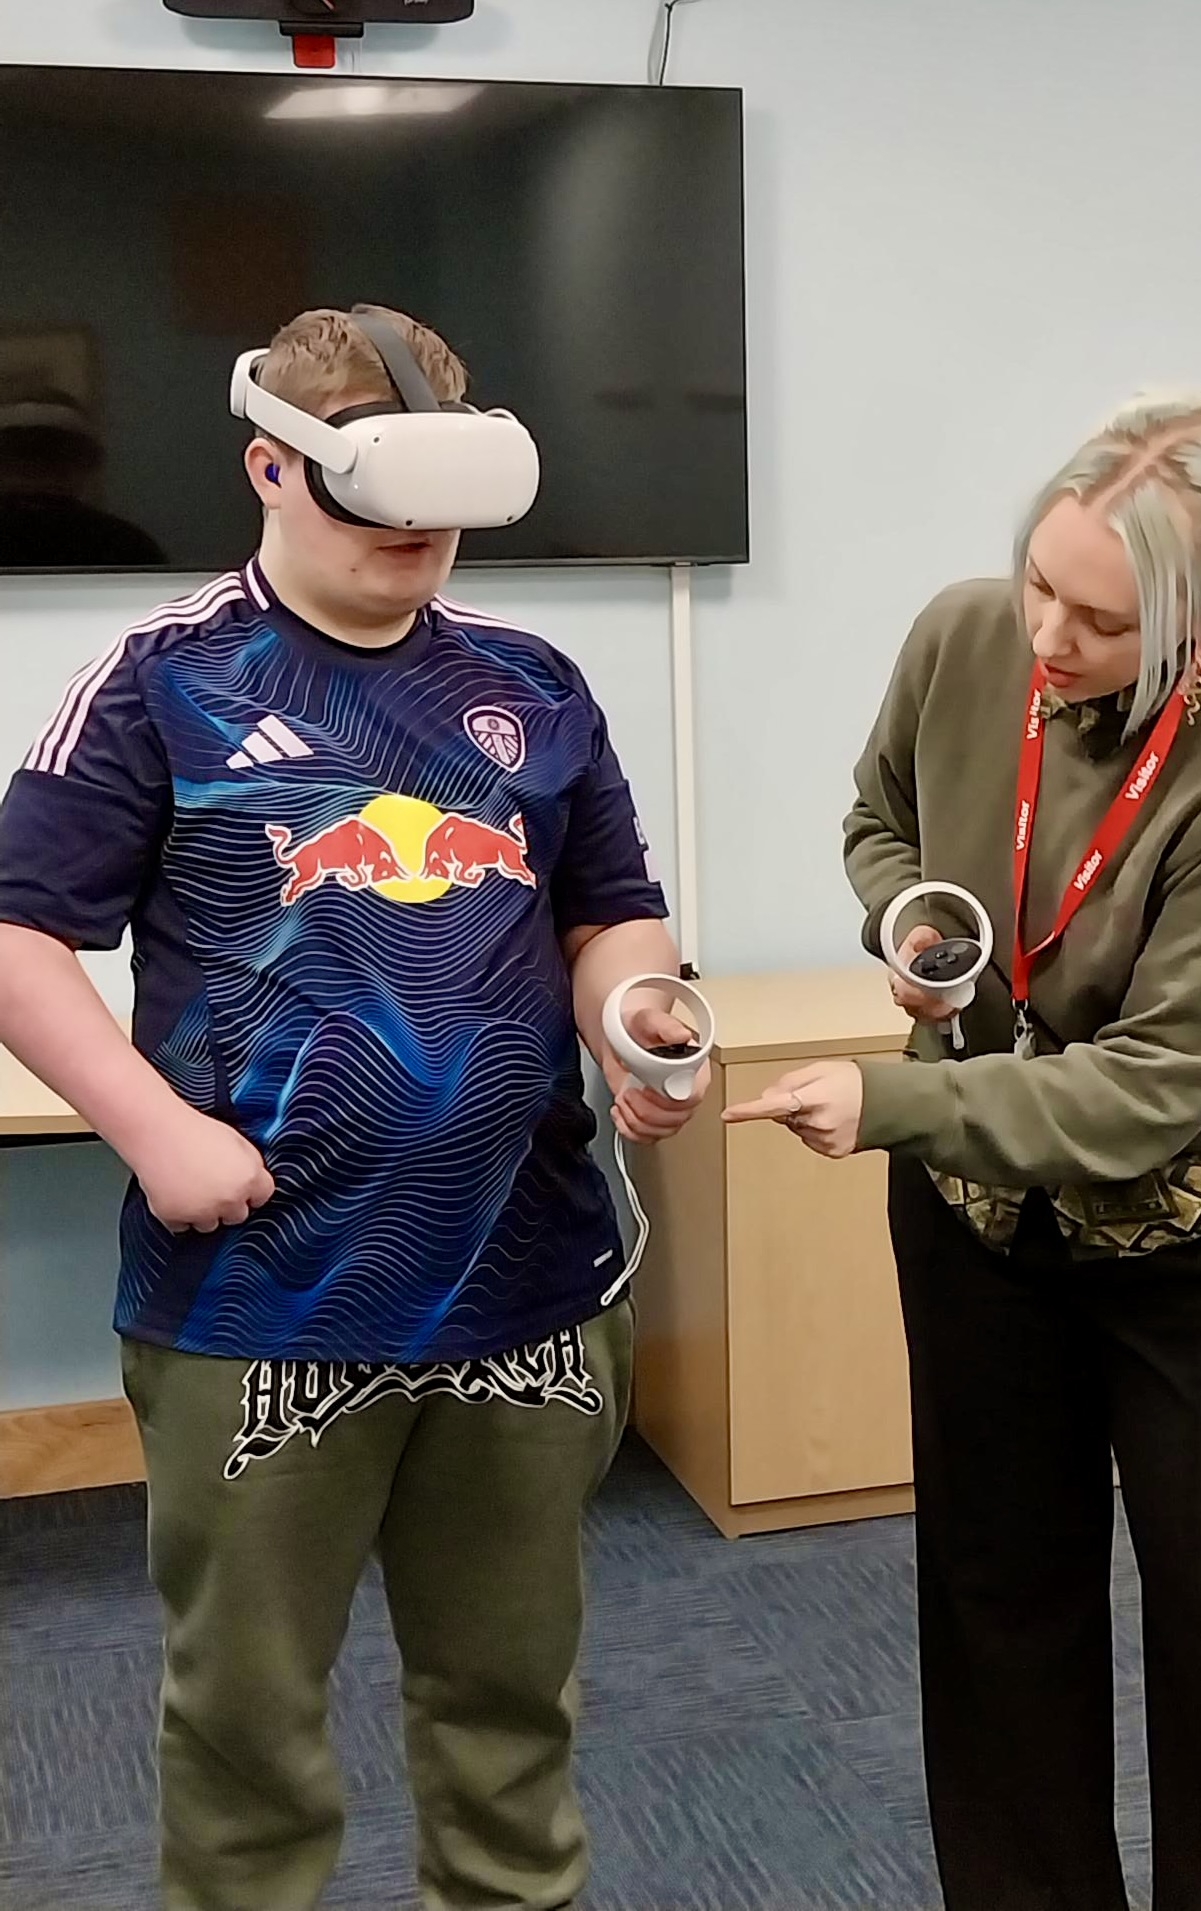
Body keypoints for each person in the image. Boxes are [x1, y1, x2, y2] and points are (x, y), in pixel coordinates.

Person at [0, 305, 705, 1911]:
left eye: (448, 509)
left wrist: (634, 1017)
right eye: (379, 502)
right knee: (248, 1730)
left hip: (524, 1279)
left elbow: (609, 907)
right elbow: (18, 934)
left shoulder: (530, 681)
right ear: (270, 466)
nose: (418, 541)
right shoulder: (163, 679)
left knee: (509, 1708)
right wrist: (154, 1131)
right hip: (260, 1295)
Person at [725, 392, 1201, 1911]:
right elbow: (881, 817)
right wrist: (913, 925)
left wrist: (889, 1100)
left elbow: (1143, 1094)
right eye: (1038, 581)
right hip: (982, 1215)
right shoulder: (963, 638)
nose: (1045, 635)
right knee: (996, 1591)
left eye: (1098, 620)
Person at [0, 386, 166, 567]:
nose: (35, 464)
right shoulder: (129, 545)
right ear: (87, 464)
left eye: (50, 453)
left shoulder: (129, 545)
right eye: (24, 453)